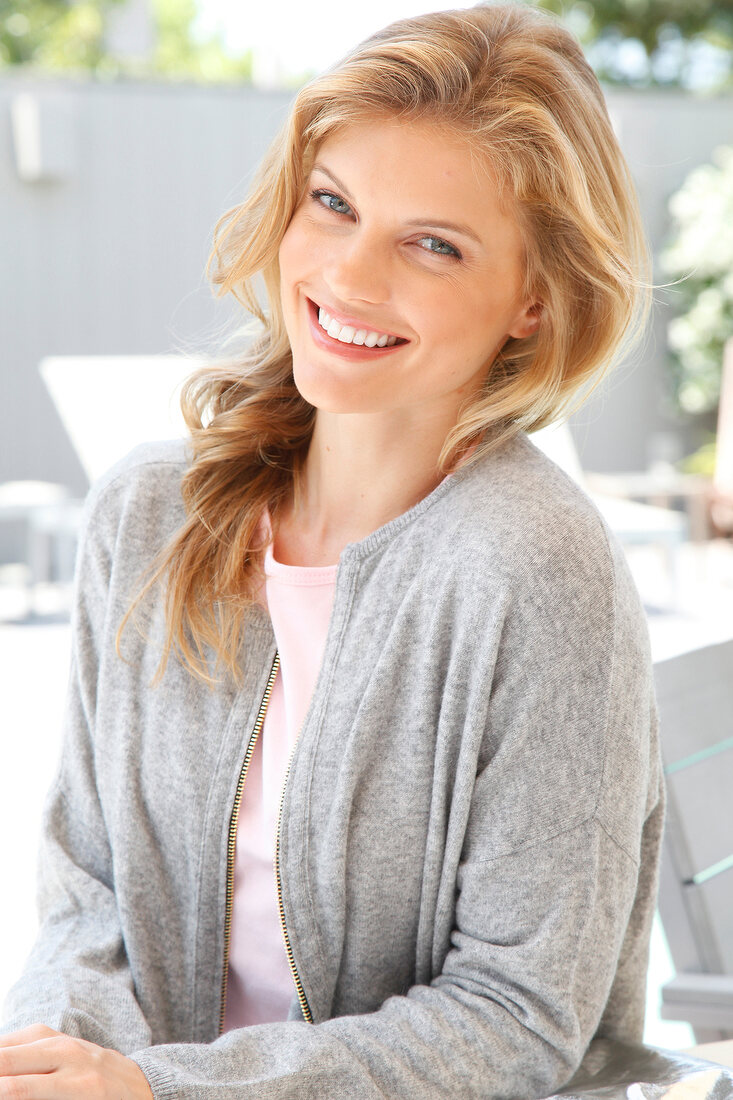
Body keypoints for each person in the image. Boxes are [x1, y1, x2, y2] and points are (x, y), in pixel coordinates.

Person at [0, 3, 664, 1098]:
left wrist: (163, 1089)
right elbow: (88, 899)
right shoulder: (145, 514)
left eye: (434, 244)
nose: (351, 276)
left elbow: (518, 1015)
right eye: (333, 204)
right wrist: (53, 1063)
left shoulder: (538, 570)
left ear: (534, 302)